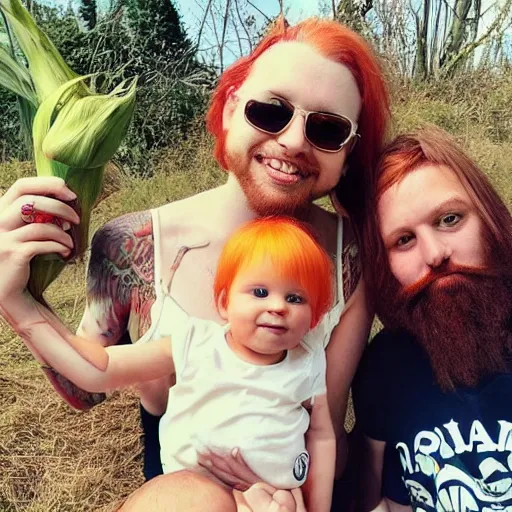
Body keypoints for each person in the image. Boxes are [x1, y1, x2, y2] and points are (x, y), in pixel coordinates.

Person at [0, 17, 389, 509]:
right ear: (229, 108)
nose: (293, 141)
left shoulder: (349, 255)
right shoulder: (131, 244)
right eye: (270, 111)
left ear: (348, 152)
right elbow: (86, 388)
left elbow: (323, 425)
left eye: (328, 129)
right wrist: (17, 293)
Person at [0, 217, 336, 511]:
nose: (278, 306)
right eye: (260, 292)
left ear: (312, 316)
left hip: (275, 501)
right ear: (224, 303)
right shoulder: (195, 342)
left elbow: (322, 436)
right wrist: (20, 308)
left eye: (295, 298)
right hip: (192, 496)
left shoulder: (307, 361)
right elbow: (99, 369)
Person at [352, 125, 512, 511]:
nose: (435, 253)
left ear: (488, 217)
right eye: (403, 240)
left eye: (450, 219)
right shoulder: (385, 367)